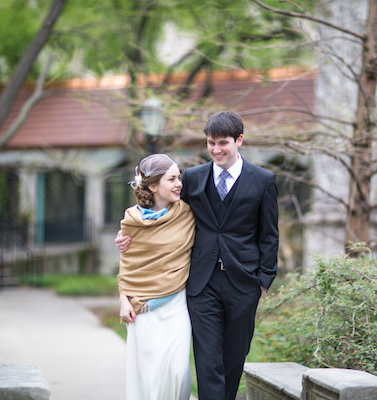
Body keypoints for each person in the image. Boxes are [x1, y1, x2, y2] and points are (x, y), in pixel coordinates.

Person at [117, 111, 279, 400]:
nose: (216, 149)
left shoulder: (263, 180)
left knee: (234, 357)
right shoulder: (192, 178)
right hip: (200, 283)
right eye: (210, 143)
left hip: (244, 282)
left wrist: (264, 279)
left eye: (223, 143)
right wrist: (131, 236)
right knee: (207, 359)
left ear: (239, 140)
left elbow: (269, 234)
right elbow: (163, 211)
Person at [117, 153, 195, 400]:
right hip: (143, 309)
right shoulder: (132, 220)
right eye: (172, 179)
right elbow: (129, 262)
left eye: (179, 177)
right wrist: (123, 299)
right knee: (148, 378)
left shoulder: (187, 213)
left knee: (177, 372)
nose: (179, 183)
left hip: (176, 304)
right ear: (153, 186)